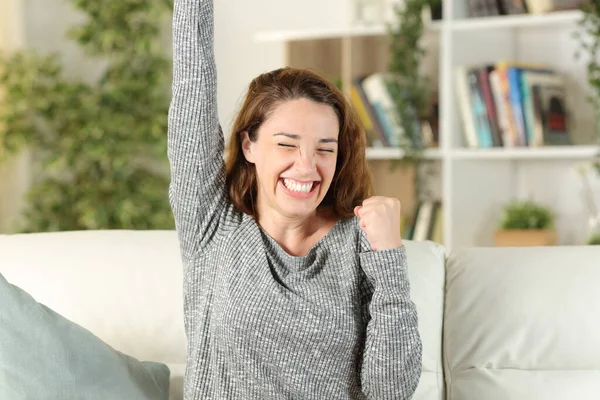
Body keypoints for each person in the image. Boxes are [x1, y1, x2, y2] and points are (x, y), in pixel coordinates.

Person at [167, 0, 422, 398]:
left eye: (325, 148)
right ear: (249, 145)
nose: (307, 167)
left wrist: (389, 260)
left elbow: (390, 391)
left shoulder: (360, 241)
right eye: (287, 144)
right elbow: (191, 88)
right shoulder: (212, 225)